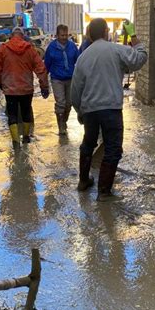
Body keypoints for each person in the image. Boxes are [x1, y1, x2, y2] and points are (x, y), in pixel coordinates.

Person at [71, 17, 147, 201]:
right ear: (106, 32)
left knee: (88, 144)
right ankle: (104, 191)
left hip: (90, 110)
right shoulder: (116, 50)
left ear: (89, 34)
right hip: (111, 109)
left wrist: (79, 111)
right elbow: (139, 59)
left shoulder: (83, 57)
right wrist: (134, 36)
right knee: (113, 148)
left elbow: (76, 88)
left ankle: (83, 181)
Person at [0, 27, 49, 146]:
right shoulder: (30, 49)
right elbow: (40, 68)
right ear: (22, 36)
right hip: (26, 88)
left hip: (10, 89)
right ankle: (26, 137)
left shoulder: (3, 49)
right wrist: (44, 85)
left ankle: (15, 141)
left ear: (11, 36)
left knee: (12, 114)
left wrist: (1, 82)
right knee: (26, 111)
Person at [44, 24, 79, 135]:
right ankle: (61, 127)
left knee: (69, 103)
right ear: (57, 35)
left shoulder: (72, 46)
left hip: (70, 78)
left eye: (66, 35)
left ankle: (64, 121)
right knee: (61, 103)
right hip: (57, 79)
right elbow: (47, 64)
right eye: (62, 35)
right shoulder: (51, 48)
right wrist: (44, 80)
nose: (64, 37)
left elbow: (78, 61)